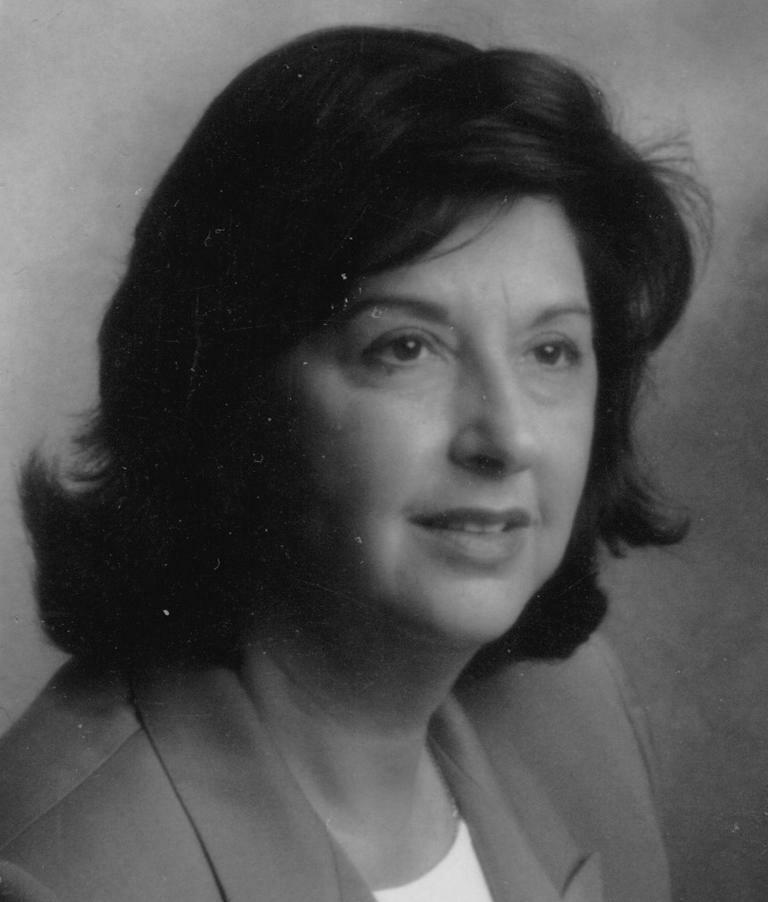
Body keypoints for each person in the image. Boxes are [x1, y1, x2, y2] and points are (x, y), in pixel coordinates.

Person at [0, 24, 705, 902]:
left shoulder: (579, 712)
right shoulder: (60, 873)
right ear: (226, 394)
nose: (509, 437)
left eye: (551, 351)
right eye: (405, 347)